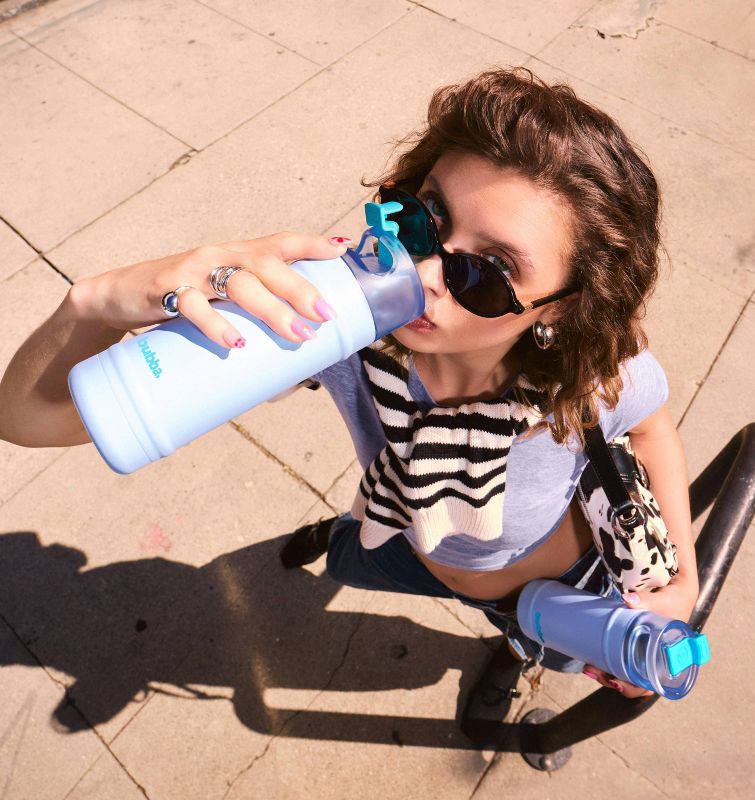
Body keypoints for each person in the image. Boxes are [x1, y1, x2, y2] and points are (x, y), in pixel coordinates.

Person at [0, 68, 698, 742]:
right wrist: (96, 302)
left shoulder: (592, 375)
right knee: (345, 558)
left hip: (560, 591)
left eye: (487, 273)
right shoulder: (336, 330)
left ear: (563, 306)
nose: (423, 273)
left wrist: (681, 586)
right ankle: (340, 543)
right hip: (403, 539)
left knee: (563, 654)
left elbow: (650, 429)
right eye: (421, 219)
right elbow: (28, 420)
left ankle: (513, 657)